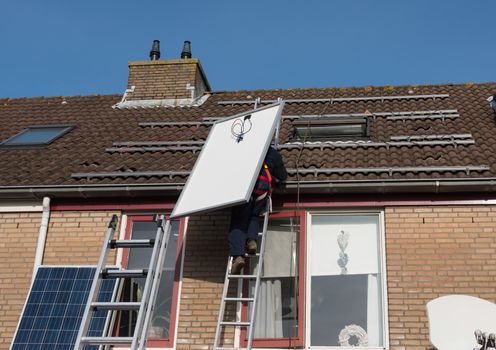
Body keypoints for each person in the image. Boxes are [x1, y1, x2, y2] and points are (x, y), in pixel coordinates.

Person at [229, 145, 287, 274]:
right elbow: (283, 175)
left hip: (244, 189)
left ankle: (238, 256)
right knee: (254, 215)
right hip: (262, 190)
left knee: (239, 221)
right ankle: (252, 241)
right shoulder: (272, 152)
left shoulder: (244, 147)